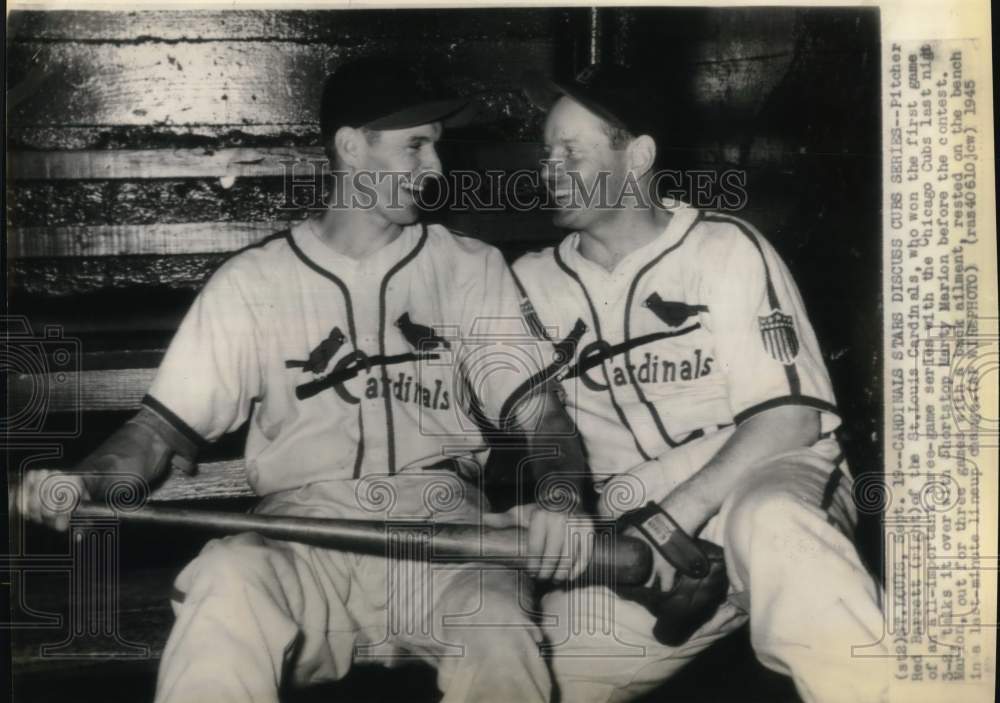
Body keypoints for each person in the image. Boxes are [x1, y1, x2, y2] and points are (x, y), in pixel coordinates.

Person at [15, 57, 593, 703]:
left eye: (436, 147)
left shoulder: (470, 267)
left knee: (496, 626)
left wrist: (564, 501)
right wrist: (87, 480)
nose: (435, 168)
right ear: (351, 147)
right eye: (416, 146)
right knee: (228, 576)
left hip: (446, 539)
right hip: (304, 539)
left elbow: (543, 416)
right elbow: (154, 432)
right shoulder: (253, 283)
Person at [511, 64, 889, 703]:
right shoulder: (528, 282)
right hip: (632, 545)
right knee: (524, 675)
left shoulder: (725, 247)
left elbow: (789, 418)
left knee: (777, 528)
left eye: (570, 151)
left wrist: (669, 520)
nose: (549, 169)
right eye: (546, 154)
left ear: (639, 157)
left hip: (761, 481)